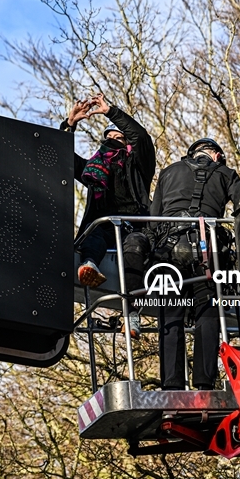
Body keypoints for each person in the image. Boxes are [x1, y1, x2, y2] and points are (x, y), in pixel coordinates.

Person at [124, 138, 240, 390]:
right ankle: (204, 383)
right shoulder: (226, 173)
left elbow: (153, 220)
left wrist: (149, 254)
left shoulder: (169, 172)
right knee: (207, 314)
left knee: (171, 316)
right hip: (208, 251)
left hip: (169, 250)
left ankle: (172, 385)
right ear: (217, 156)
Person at [62, 94, 155, 334]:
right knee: (94, 234)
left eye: (118, 137)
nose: (112, 141)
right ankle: (89, 265)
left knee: (134, 248)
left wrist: (111, 112)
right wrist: (70, 125)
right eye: (109, 137)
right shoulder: (94, 170)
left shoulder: (139, 166)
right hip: (104, 228)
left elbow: (142, 137)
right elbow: (62, 158)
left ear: (127, 144)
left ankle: (132, 315)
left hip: (133, 229)